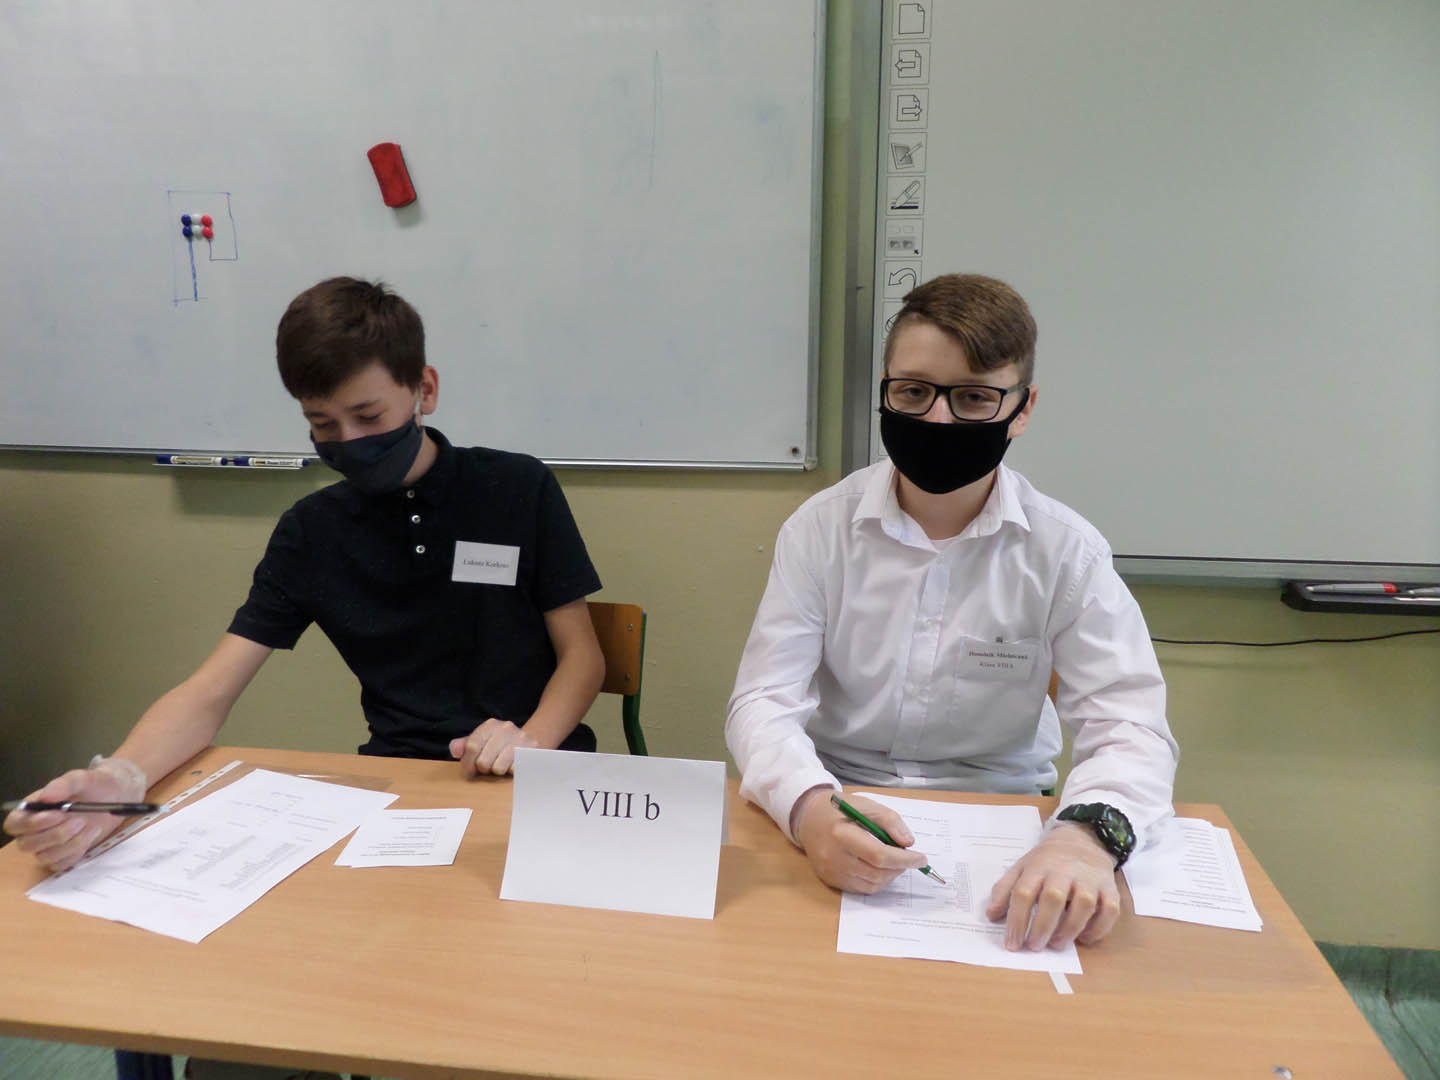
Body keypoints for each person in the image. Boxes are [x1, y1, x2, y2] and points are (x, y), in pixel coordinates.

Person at [6, 277, 606, 874]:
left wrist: (529, 742)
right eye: (323, 424)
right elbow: (210, 692)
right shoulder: (314, 531)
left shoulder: (516, 488)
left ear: (423, 390)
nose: (350, 441)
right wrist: (120, 782)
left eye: (368, 416)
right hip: (400, 784)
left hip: (544, 771)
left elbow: (583, 657)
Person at [726, 273, 1178, 953]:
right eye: (913, 392)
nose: (937, 420)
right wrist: (811, 808)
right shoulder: (819, 530)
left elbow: (1130, 724)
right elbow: (763, 700)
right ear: (885, 390)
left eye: (972, 398)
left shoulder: (1066, 551)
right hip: (842, 805)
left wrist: (1086, 840)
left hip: (1007, 820)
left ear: (1021, 409)